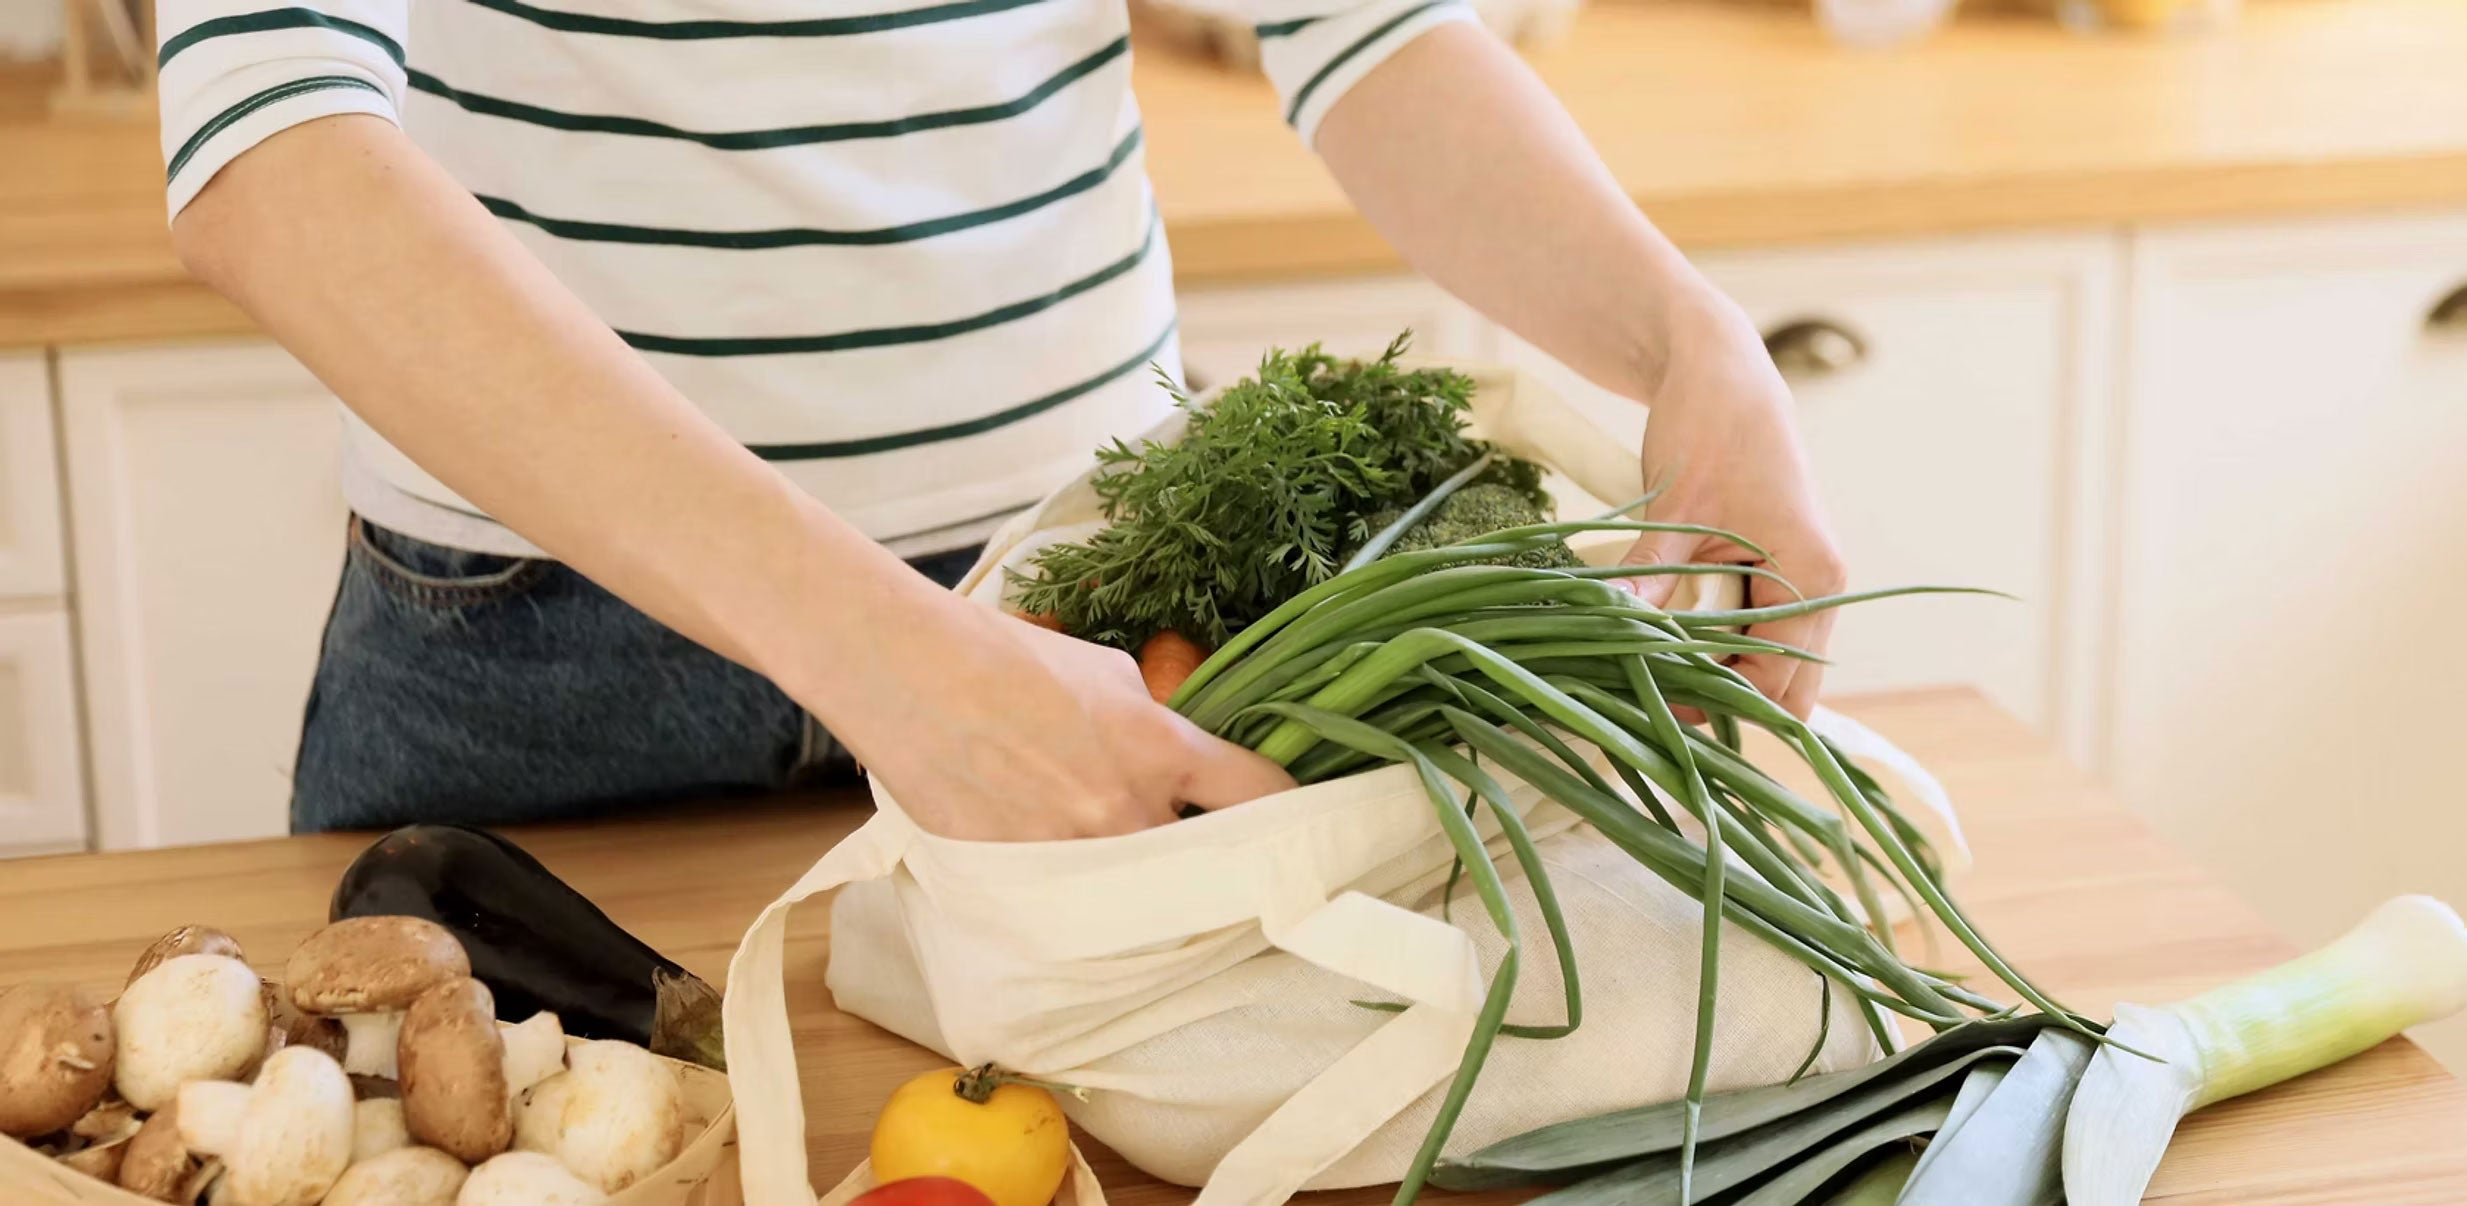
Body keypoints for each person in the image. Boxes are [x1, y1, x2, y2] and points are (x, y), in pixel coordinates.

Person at [155, 0, 1845, 842]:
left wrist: (1690, 342)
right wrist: (890, 657)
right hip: (541, 659)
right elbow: (267, 144)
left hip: (1108, 614)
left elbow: (1364, 23)